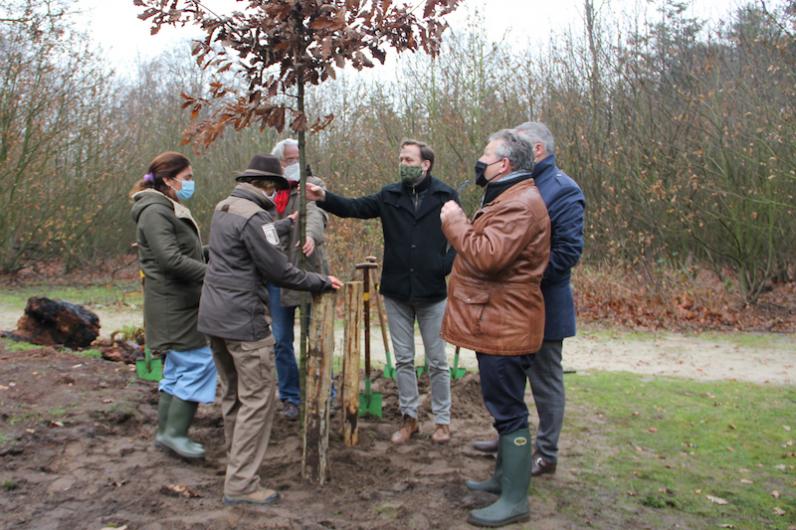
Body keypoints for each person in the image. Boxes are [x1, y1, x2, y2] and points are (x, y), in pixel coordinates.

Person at [197, 155, 342, 507]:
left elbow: (244, 245)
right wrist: (319, 282)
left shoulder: (225, 207)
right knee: (258, 401)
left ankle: (237, 466)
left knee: (233, 395)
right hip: (243, 321)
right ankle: (242, 484)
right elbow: (280, 271)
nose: (277, 193)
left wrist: (286, 224)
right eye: (275, 188)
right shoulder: (256, 216)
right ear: (265, 185)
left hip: (213, 318)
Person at [305, 139, 456, 445]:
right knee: (403, 360)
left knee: (437, 361)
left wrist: (444, 265)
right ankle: (409, 418)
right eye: (401, 158)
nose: (403, 164)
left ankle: (442, 422)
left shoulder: (445, 196)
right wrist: (323, 197)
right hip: (397, 290)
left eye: (409, 159)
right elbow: (354, 208)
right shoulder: (390, 195)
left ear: (425, 164)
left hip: (432, 292)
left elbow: (459, 235)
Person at [440, 129, 550, 527]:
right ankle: (505, 479)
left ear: (503, 164)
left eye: (486, 155)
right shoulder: (510, 197)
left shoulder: (520, 204)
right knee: (504, 404)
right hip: (500, 320)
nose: (480, 161)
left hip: (507, 324)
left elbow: (487, 257)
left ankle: (515, 500)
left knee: (507, 410)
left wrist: (455, 224)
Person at [471, 122, 586, 479]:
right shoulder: (518, 186)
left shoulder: (563, 191)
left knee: (545, 380)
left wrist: (519, 281)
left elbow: (567, 252)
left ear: (537, 150)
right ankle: (508, 438)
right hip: (510, 305)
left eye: (519, 145)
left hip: (545, 304)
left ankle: (546, 452)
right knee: (508, 377)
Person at [130, 151, 217, 460]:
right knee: (199, 362)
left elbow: (185, 252)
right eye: (187, 177)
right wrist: (215, 275)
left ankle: (165, 433)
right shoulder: (155, 211)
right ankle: (175, 434)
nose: (192, 182)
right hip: (173, 305)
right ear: (168, 179)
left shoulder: (166, 207)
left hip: (180, 302)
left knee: (179, 368)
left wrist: (216, 251)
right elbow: (169, 259)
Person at [266, 138, 329, 420]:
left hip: (306, 271)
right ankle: (291, 397)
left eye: (297, 159)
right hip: (276, 275)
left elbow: (317, 215)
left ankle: (325, 392)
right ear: (279, 164)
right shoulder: (268, 194)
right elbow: (262, 229)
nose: (294, 165)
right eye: (289, 160)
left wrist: (310, 236)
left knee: (314, 336)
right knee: (280, 340)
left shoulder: (311, 185)